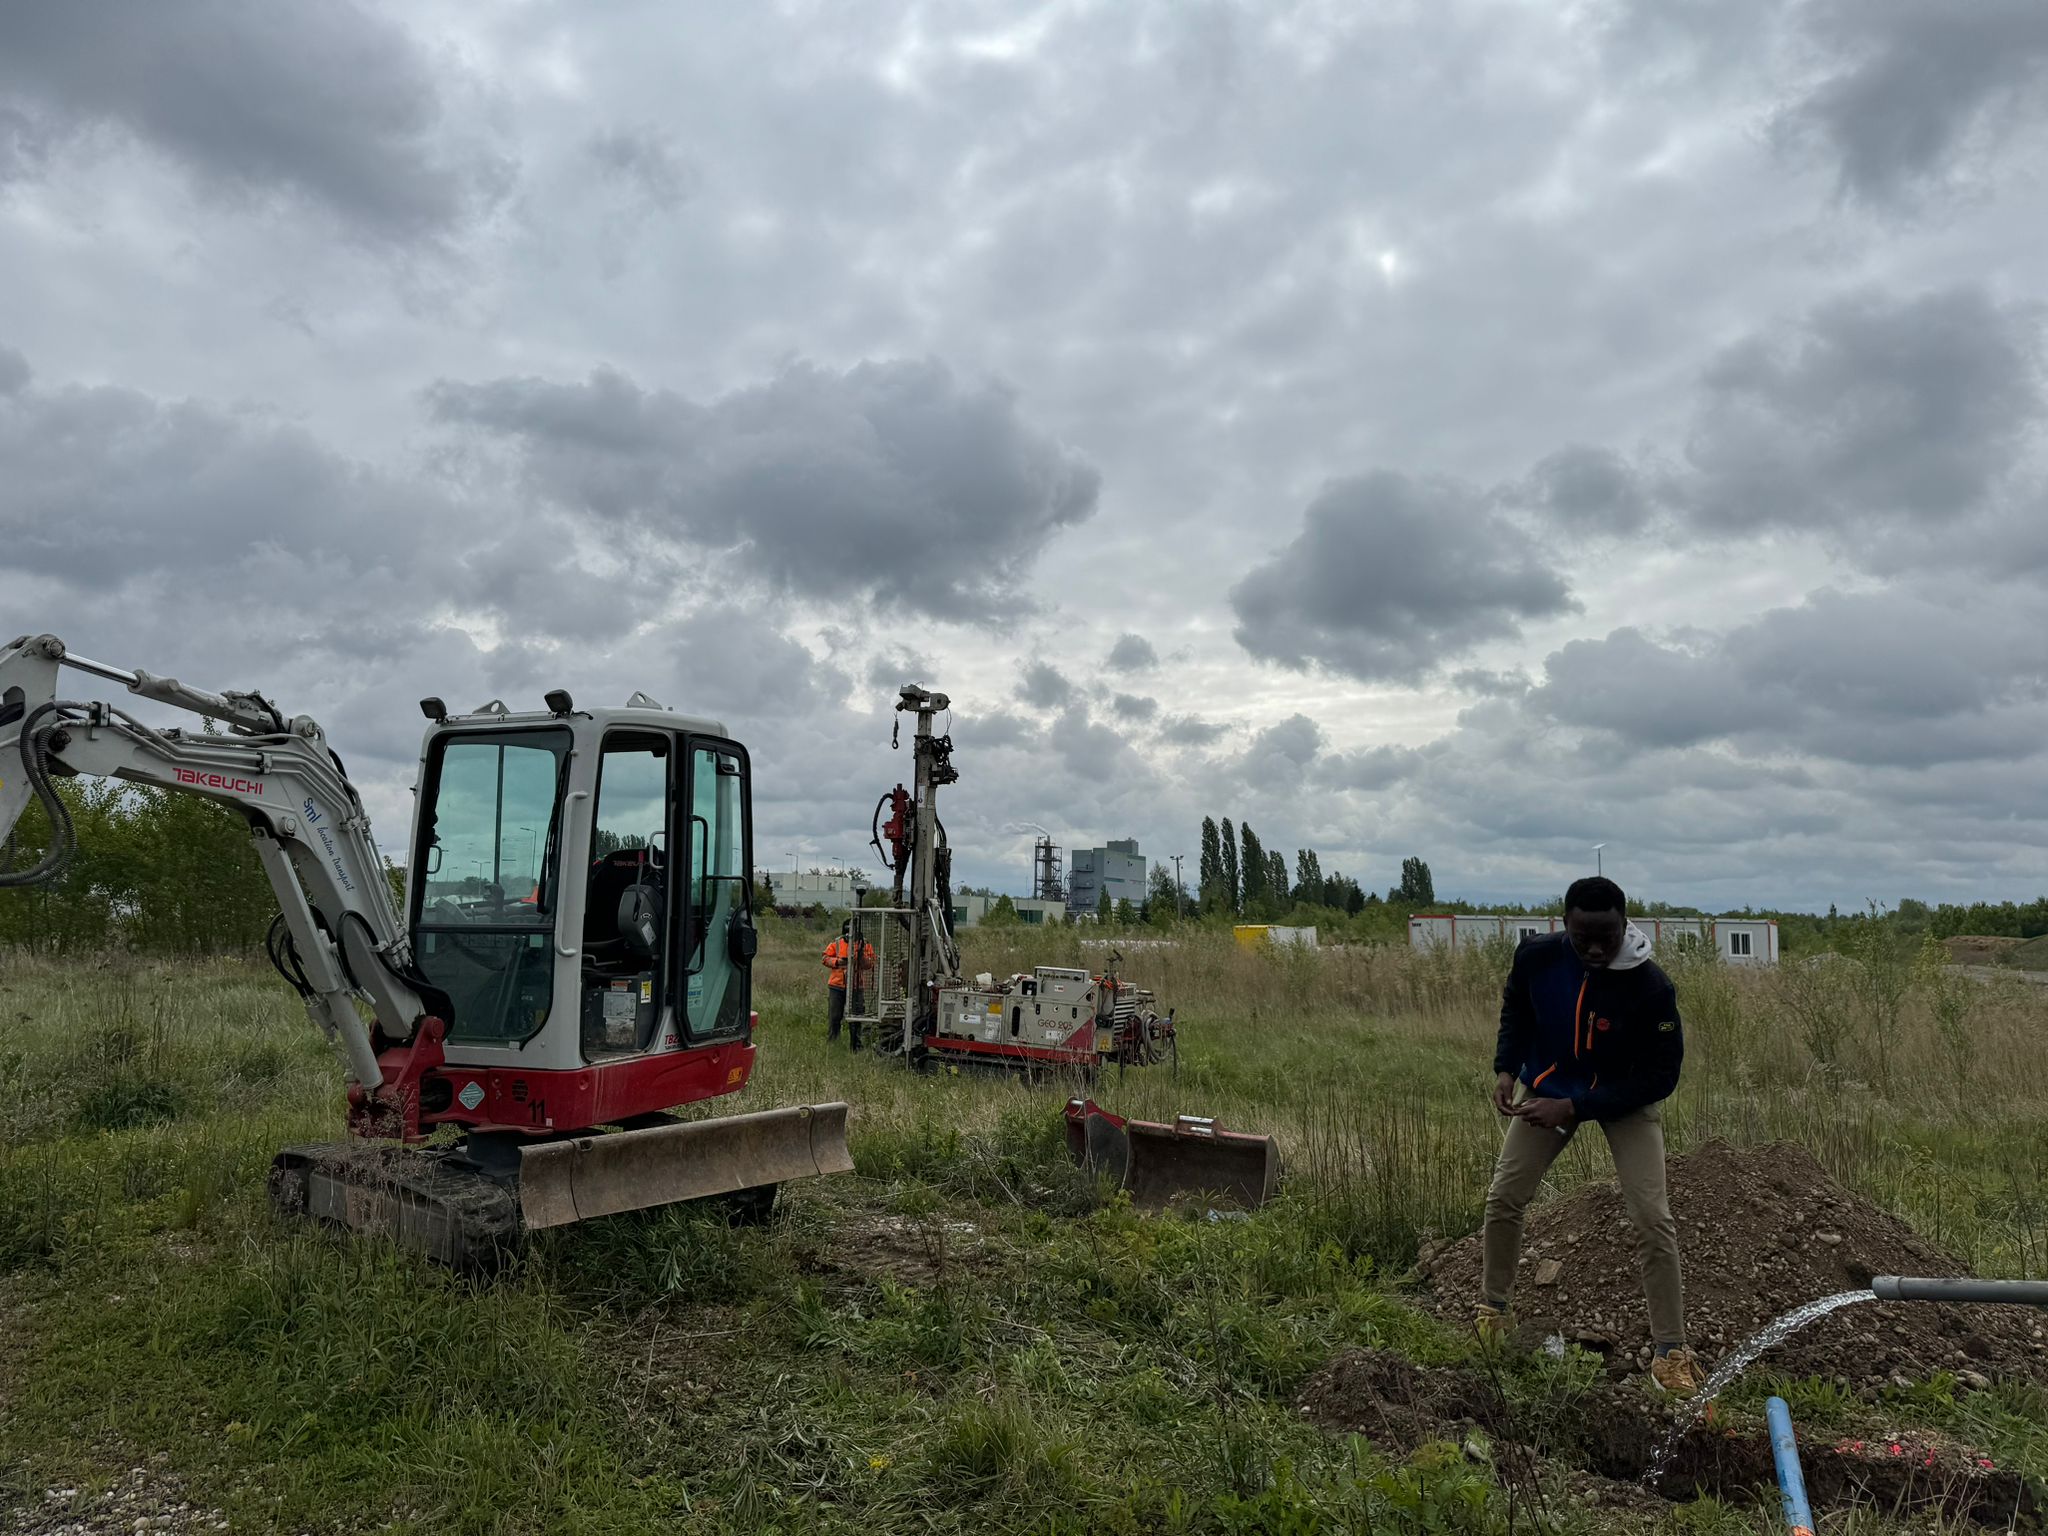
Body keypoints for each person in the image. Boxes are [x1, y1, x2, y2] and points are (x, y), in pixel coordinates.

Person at [1477, 876, 1706, 1394]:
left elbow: (1661, 1077)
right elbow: (1518, 1008)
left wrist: (1575, 1107)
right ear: (1565, 925)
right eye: (1584, 939)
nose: (1598, 949)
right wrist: (1507, 1068)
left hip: (1624, 1100)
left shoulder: (1651, 986)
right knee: (1505, 1197)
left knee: (1652, 1218)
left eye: (1609, 937)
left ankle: (1671, 1353)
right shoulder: (1536, 957)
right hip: (1550, 1086)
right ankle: (1493, 1312)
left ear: (1625, 924)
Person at [823, 920, 874, 1050]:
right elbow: (825, 958)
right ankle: (833, 1044)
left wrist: (860, 954)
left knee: (856, 1016)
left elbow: (869, 964)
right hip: (837, 985)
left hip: (856, 986)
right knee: (835, 1016)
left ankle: (856, 1046)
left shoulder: (865, 944)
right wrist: (838, 962)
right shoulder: (836, 943)